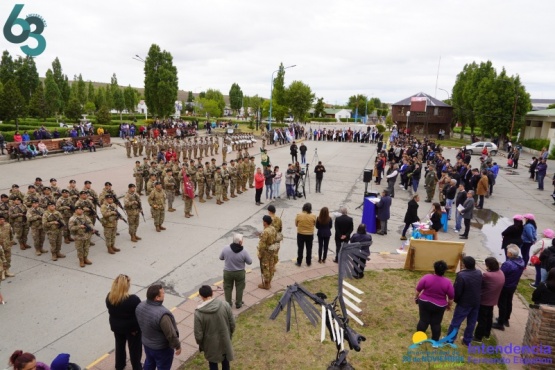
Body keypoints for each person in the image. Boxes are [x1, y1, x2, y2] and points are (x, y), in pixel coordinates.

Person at [135, 284, 181, 370]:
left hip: (147, 344)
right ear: (157, 298)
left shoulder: (139, 306)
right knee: (163, 367)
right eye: (163, 293)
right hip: (161, 349)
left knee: (149, 363)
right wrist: (177, 346)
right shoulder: (163, 315)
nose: (164, 294)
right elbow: (171, 334)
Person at [194, 285, 235, 370]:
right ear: (212, 293)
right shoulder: (225, 305)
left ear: (201, 296)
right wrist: (229, 335)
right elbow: (232, 324)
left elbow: (198, 335)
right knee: (226, 362)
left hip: (210, 344)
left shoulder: (198, 313)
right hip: (225, 340)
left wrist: (202, 345)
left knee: (212, 364)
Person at [106, 274, 142, 370]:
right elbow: (140, 312)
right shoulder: (133, 299)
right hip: (132, 329)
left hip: (116, 327)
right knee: (135, 349)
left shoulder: (110, 297)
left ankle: (120, 365)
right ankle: (137, 367)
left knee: (119, 346)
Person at [414, 260, 454, 341]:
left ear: (434, 268)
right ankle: (435, 341)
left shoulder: (426, 277)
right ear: (444, 271)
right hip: (439, 306)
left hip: (424, 302)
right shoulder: (447, 282)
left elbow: (418, 290)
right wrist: (449, 306)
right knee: (436, 323)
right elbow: (451, 297)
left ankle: (419, 339)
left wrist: (416, 298)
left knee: (423, 320)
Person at [447, 256, 482, 345]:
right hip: (476, 301)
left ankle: (450, 339)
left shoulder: (461, 275)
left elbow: (457, 291)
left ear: (464, 264)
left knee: (456, 322)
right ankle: (467, 340)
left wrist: (456, 300)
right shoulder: (478, 272)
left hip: (464, 302)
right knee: (471, 322)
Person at [493, 245, 525, 331]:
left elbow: (501, 274)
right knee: (508, 302)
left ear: (510, 254)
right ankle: (506, 319)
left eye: (507, 251)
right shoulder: (521, 262)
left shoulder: (508, 264)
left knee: (502, 304)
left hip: (505, 286)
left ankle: (500, 323)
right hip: (513, 285)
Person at [473, 257, 505, 343]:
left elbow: (479, 282)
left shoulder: (487, 275)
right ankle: (487, 334)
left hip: (485, 300)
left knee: (482, 319)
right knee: (489, 317)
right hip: (493, 299)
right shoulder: (501, 272)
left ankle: (478, 337)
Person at [219, 233, 252, 309]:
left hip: (228, 272)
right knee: (240, 288)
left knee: (227, 287)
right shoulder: (244, 251)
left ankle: (228, 304)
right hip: (240, 272)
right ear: (240, 242)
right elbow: (249, 262)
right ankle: (238, 303)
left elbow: (221, 257)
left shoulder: (226, 248)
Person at [258, 215, 277, 289]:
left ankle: (266, 284)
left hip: (266, 251)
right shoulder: (273, 228)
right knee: (271, 266)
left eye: (263, 221)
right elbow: (275, 238)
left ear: (265, 222)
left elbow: (262, 244)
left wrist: (260, 253)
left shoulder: (266, 231)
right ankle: (269, 282)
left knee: (265, 266)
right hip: (272, 250)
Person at [295, 202, 316, 267]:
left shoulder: (299, 215)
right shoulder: (313, 216)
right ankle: (308, 262)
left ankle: (299, 262)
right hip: (309, 234)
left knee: (300, 248)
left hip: (301, 233)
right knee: (309, 248)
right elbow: (315, 224)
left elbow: (296, 224)